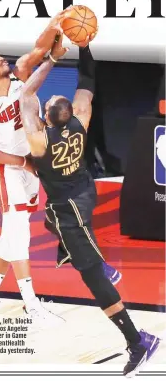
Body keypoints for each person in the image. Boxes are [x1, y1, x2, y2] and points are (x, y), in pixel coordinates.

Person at [18, 35, 161, 377]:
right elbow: (87, 82)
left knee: (92, 279)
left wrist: (51, 59)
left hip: (70, 209)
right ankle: (98, 262)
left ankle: (138, 340)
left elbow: (26, 96)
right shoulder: (80, 118)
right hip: (84, 191)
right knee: (51, 224)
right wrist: (84, 46)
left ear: (47, 119)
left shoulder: (39, 140)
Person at [0, 10, 70, 326]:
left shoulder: (21, 75)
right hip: (7, 169)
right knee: (19, 235)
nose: (1, 61)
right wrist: (21, 162)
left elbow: (39, 50)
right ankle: (31, 305)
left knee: (9, 237)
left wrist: (56, 28)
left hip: (29, 165)